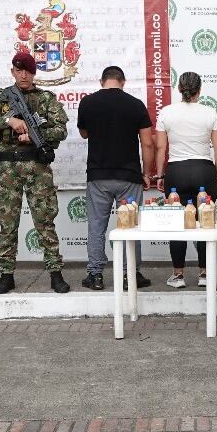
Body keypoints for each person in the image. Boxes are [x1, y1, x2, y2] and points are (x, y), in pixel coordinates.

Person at [0, 51, 70, 294]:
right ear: (12, 72)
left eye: (27, 70)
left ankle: (55, 273)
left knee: (45, 221)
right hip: (7, 169)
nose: (23, 75)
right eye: (19, 70)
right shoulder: (2, 97)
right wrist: (9, 120)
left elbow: (61, 130)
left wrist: (38, 136)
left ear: (34, 72)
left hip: (37, 167)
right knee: (7, 224)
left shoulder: (46, 99)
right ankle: (6, 275)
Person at [76, 66, 155, 291]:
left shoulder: (88, 103)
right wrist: (146, 173)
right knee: (130, 226)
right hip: (129, 176)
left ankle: (96, 275)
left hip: (98, 175)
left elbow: (84, 133)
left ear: (102, 81)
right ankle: (130, 274)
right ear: (123, 81)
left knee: (97, 226)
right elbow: (147, 143)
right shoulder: (135, 104)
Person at [151, 72, 217, 288]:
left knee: (177, 224)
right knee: (204, 222)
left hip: (177, 170)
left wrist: (160, 174)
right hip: (204, 169)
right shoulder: (210, 112)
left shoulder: (167, 112)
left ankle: (178, 275)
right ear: (199, 91)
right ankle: (204, 274)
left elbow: (160, 147)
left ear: (179, 89)